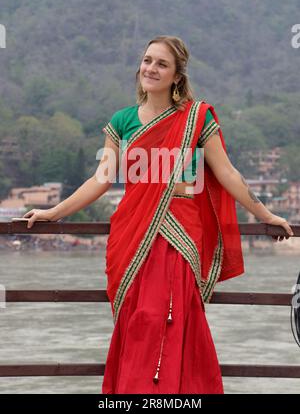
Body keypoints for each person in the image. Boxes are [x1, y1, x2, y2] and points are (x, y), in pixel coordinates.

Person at [22, 35, 294, 394]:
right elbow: (100, 179)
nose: (151, 68)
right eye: (147, 60)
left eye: (162, 64)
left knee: (166, 319)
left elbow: (228, 174)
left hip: (178, 236)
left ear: (177, 76)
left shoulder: (195, 118)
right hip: (131, 237)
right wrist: (54, 212)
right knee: (138, 321)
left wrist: (266, 214)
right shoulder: (121, 121)